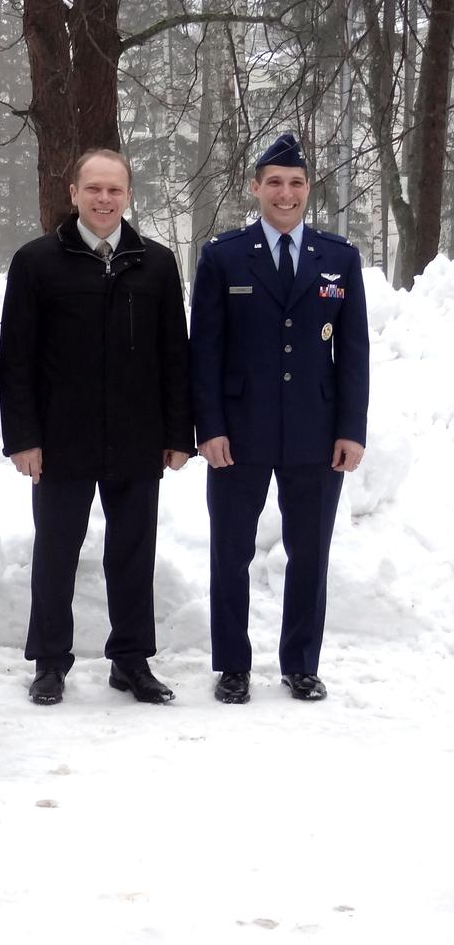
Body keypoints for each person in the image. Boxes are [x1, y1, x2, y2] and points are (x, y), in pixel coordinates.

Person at [0, 148, 194, 707]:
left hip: (138, 437)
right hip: (61, 439)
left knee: (133, 554)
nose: (104, 199)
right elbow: (16, 359)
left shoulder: (154, 263)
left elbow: (174, 355)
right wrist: (24, 438)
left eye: (114, 190)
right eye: (94, 189)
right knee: (56, 553)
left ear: (128, 194)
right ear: (74, 194)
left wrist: (179, 434)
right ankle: (50, 662)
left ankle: (131, 662)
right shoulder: (37, 263)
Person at [190, 133, 368, 704]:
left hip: (316, 434)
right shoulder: (223, 255)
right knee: (231, 551)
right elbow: (206, 351)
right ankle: (233, 666)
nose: (284, 193)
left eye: (295, 183)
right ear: (255, 187)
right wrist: (209, 427)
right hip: (239, 433)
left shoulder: (338, 258)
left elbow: (354, 352)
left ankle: (301, 664)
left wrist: (351, 430)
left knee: (310, 552)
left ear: (307, 188)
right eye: (274, 182)